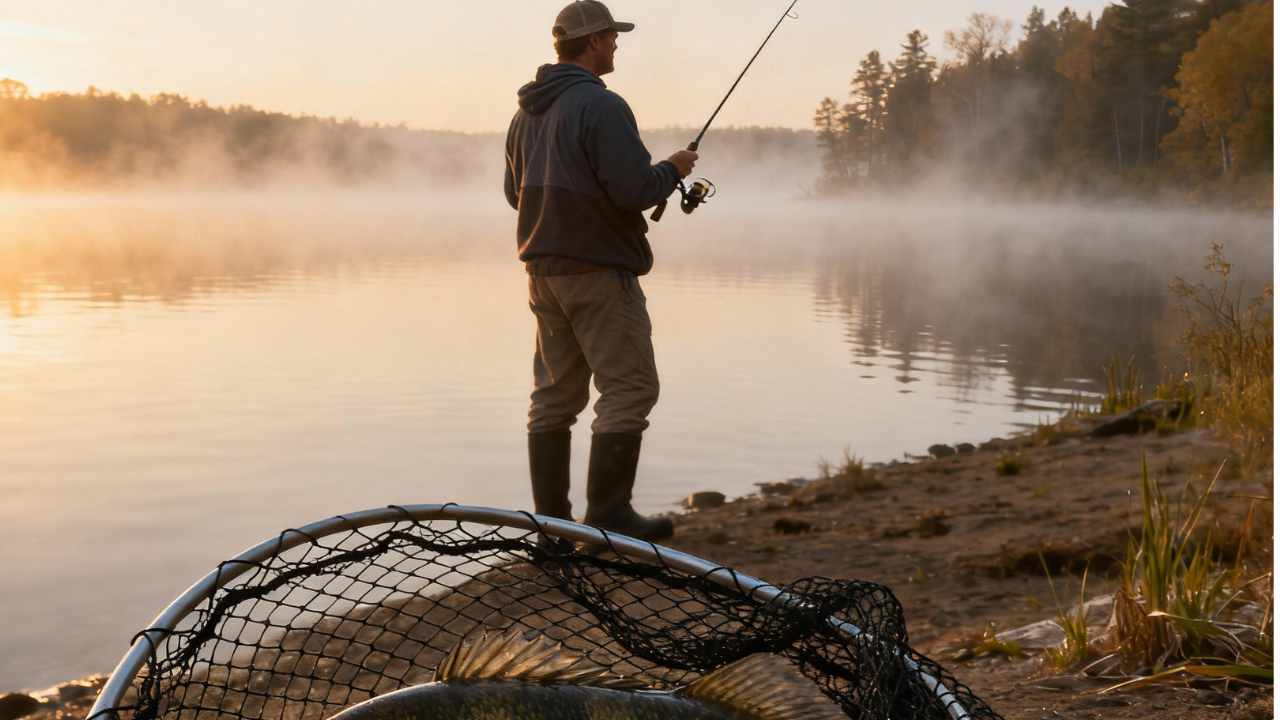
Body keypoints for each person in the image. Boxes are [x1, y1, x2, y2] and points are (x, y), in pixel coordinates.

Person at [504, 0, 698, 541]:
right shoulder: (601, 106)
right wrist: (673, 168)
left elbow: (510, 193)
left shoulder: (526, 113)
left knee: (554, 397)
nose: (616, 46)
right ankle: (610, 515)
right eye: (612, 37)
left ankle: (552, 526)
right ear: (591, 42)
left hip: (543, 273)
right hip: (597, 272)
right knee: (630, 388)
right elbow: (634, 190)